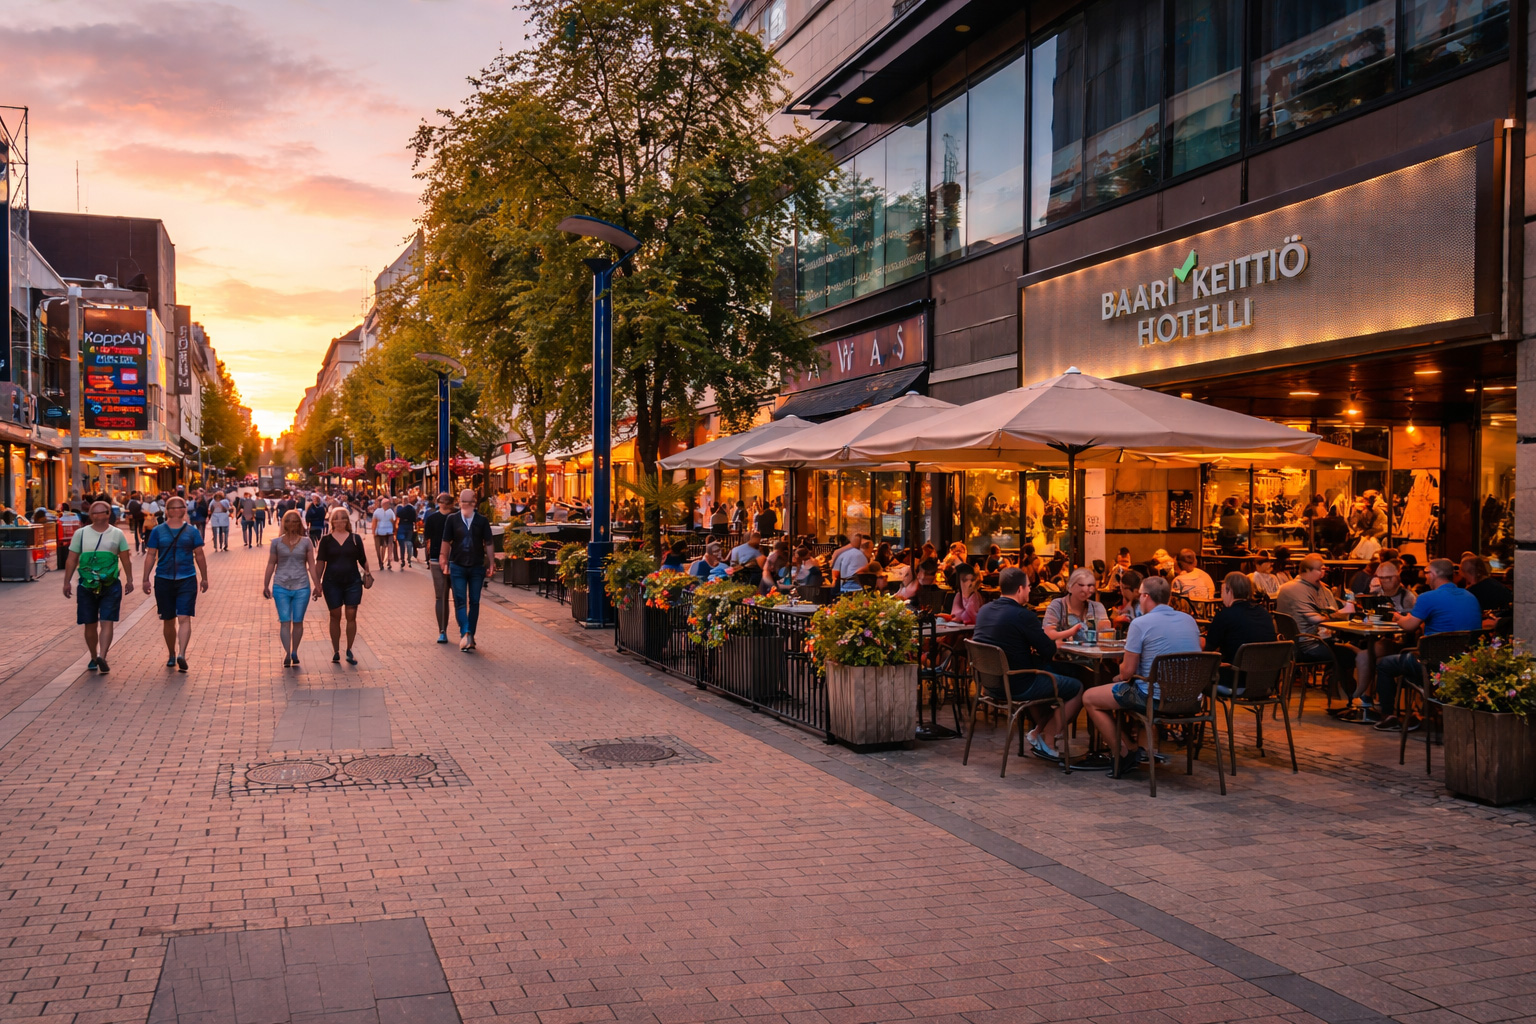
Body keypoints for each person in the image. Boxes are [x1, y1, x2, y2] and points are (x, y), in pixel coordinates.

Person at [1083, 575, 1201, 771]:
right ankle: (1143, 751)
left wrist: (1119, 673)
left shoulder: (1140, 624)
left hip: (1153, 698)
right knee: (1137, 687)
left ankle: (1125, 752)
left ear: (1145, 596)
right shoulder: (1189, 620)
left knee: (1090, 697)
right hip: (1190, 697)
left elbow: (1127, 672)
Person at [972, 567, 1085, 763]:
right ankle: (1048, 738)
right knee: (1078, 687)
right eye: (1029, 587)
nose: (1030, 591)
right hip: (1019, 684)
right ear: (1020, 589)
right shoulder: (1023, 615)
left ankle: (1038, 732)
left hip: (990, 684)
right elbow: (1048, 651)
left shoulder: (984, 610)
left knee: (1045, 671)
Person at [1373, 558, 1484, 731]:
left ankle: (1389, 716)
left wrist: (1398, 618)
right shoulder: (1471, 597)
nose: (1424, 577)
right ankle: (1429, 711)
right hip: (1466, 663)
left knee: (1384, 664)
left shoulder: (1428, 597)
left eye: (1425, 573)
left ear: (1432, 574)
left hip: (1433, 665)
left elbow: (1410, 626)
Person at [62, 500, 134, 674]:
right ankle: (94, 656)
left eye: (101, 512)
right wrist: (67, 581)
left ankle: (103, 655)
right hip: (86, 584)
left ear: (108, 514)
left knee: (107, 620)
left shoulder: (117, 534)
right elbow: (72, 559)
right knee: (90, 623)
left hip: (110, 584)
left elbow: (125, 558)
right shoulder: (81, 534)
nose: (96, 516)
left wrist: (129, 579)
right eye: (93, 513)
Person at [141, 495, 209, 672]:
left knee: (185, 617)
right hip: (163, 579)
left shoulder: (192, 531)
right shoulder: (157, 531)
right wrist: (145, 578)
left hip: (187, 578)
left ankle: (182, 654)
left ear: (185, 510)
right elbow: (150, 554)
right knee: (168, 620)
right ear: (167, 511)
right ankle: (172, 653)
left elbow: (199, 555)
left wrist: (204, 577)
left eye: (181, 507)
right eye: (174, 507)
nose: (178, 510)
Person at [440, 489, 496, 652]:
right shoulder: (452, 519)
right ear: (459, 502)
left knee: (475, 601)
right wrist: (443, 559)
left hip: (477, 566)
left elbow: (489, 542)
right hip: (457, 565)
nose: (466, 505)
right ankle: (465, 633)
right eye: (463, 502)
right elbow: (446, 541)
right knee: (460, 600)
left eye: (470, 502)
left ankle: (470, 633)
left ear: (475, 503)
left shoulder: (482, 521)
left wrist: (491, 563)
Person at [314, 506, 371, 664]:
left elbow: (363, 559)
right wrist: (317, 584)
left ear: (347, 520)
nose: (340, 521)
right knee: (335, 615)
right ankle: (336, 650)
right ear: (332, 521)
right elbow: (320, 563)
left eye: (343, 518)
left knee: (351, 615)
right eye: (336, 518)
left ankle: (349, 649)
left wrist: (368, 573)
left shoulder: (355, 538)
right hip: (331, 582)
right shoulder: (325, 540)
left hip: (353, 581)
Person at [263, 510, 317, 668]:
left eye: (295, 521)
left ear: (299, 524)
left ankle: (295, 651)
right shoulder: (276, 543)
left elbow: (311, 565)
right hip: (281, 586)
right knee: (285, 621)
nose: (292, 524)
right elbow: (271, 563)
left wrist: (317, 584)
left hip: (302, 586)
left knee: (298, 621)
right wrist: (265, 584)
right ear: (284, 523)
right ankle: (287, 653)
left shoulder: (306, 542)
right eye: (289, 521)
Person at [1203, 573, 1277, 686]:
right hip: (1266, 679)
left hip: (1236, 679)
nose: (1221, 596)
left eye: (1222, 591)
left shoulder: (1225, 615)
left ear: (1230, 591)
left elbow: (1209, 649)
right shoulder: (1264, 613)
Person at [1042, 568, 1112, 642]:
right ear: (1069, 587)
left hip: (1091, 652)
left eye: (1089, 585)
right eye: (1081, 585)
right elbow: (1048, 633)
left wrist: (1104, 628)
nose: (1085, 589)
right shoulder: (1058, 605)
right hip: (1065, 652)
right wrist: (1070, 632)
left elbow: (1105, 635)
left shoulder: (1097, 607)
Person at [422, 493, 455, 643]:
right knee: (454, 597)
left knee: (441, 597)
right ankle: (458, 631)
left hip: (439, 558)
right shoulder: (457, 516)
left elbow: (427, 539)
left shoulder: (432, 518)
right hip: (454, 559)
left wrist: (428, 558)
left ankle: (443, 631)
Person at [371, 497, 397, 571]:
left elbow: (393, 521)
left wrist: (394, 531)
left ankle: (387, 561)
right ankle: (381, 561)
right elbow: (374, 522)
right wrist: (374, 532)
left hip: (388, 532)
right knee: (381, 547)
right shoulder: (378, 512)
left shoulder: (390, 512)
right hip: (379, 533)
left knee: (387, 546)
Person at [394, 495, 418, 568]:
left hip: (402, 526)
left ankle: (403, 559)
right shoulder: (412, 508)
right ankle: (408, 559)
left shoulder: (399, 508)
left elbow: (397, 515)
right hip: (409, 526)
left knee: (402, 543)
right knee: (408, 542)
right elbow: (415, 518)